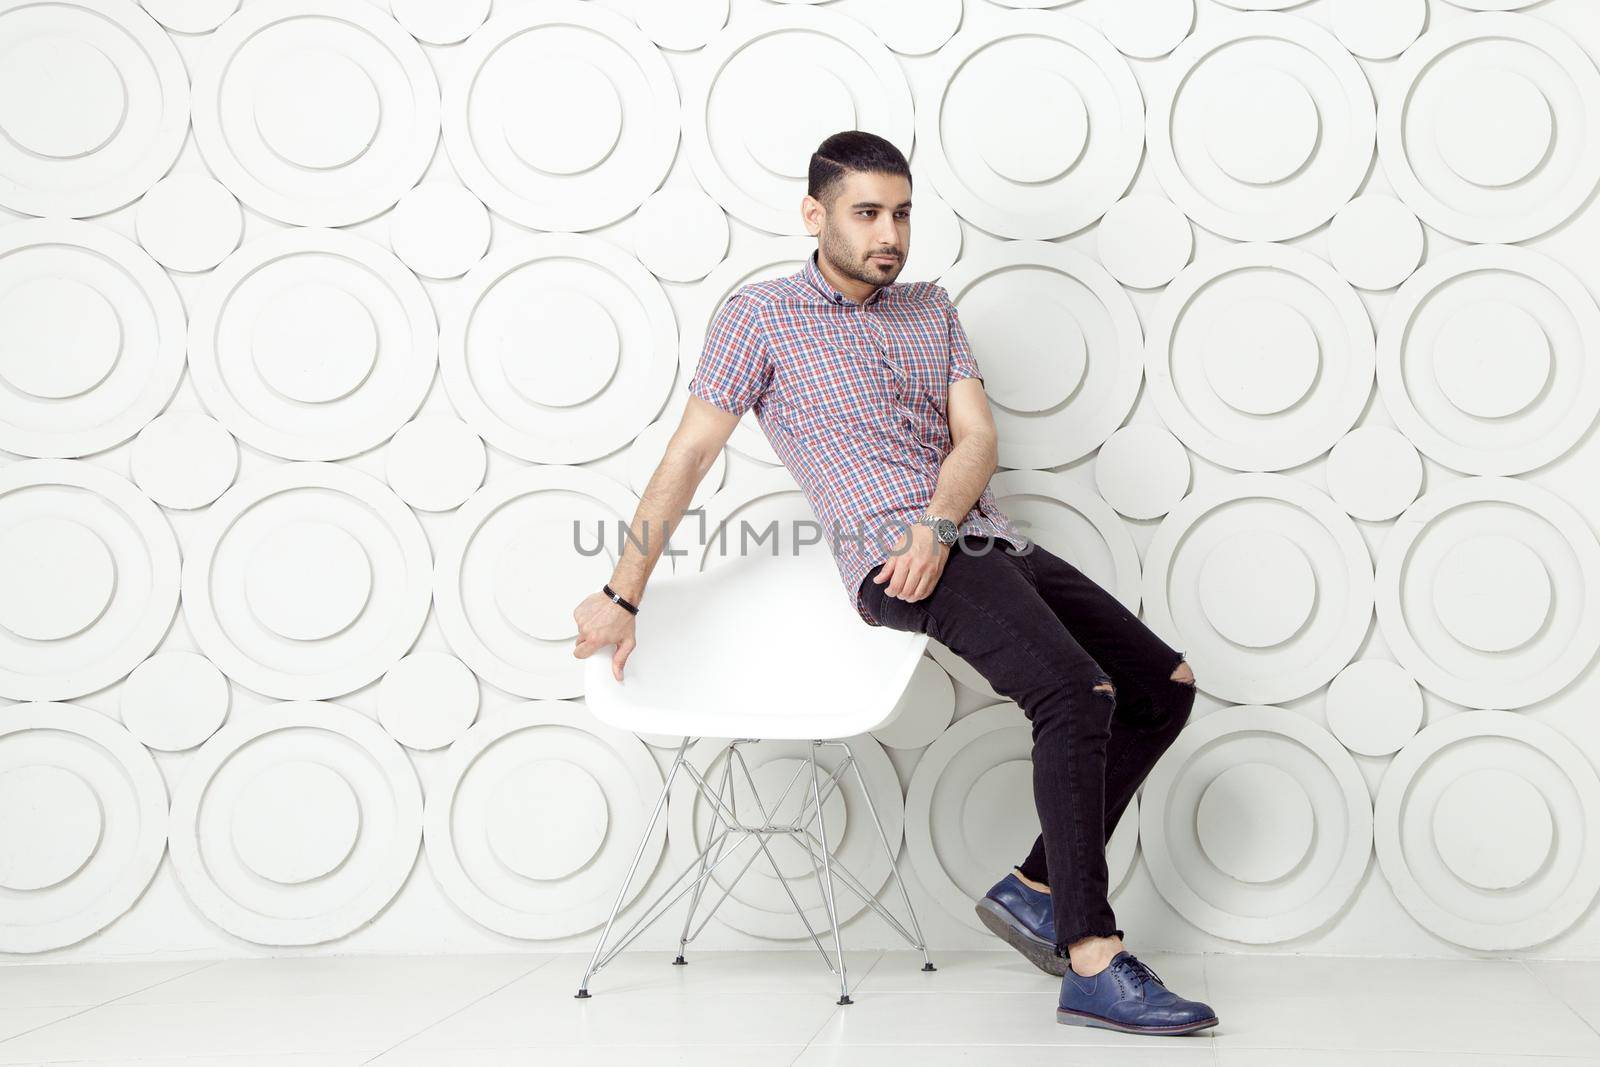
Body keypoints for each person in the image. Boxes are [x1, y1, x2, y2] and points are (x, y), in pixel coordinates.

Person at [572, 130, 1218, 1037]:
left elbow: (978, 439)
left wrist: (940, 522)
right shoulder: (757, 316)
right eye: (867, 213)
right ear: (815, 214)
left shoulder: (931, 307)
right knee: (1074, 691)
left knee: (1163, 687)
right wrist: (624, 592)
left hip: (976, 538)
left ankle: (1037, 886)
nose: (891, 233)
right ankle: (1090, 956)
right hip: (890, 562)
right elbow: (688, 454)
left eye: (903, 212)